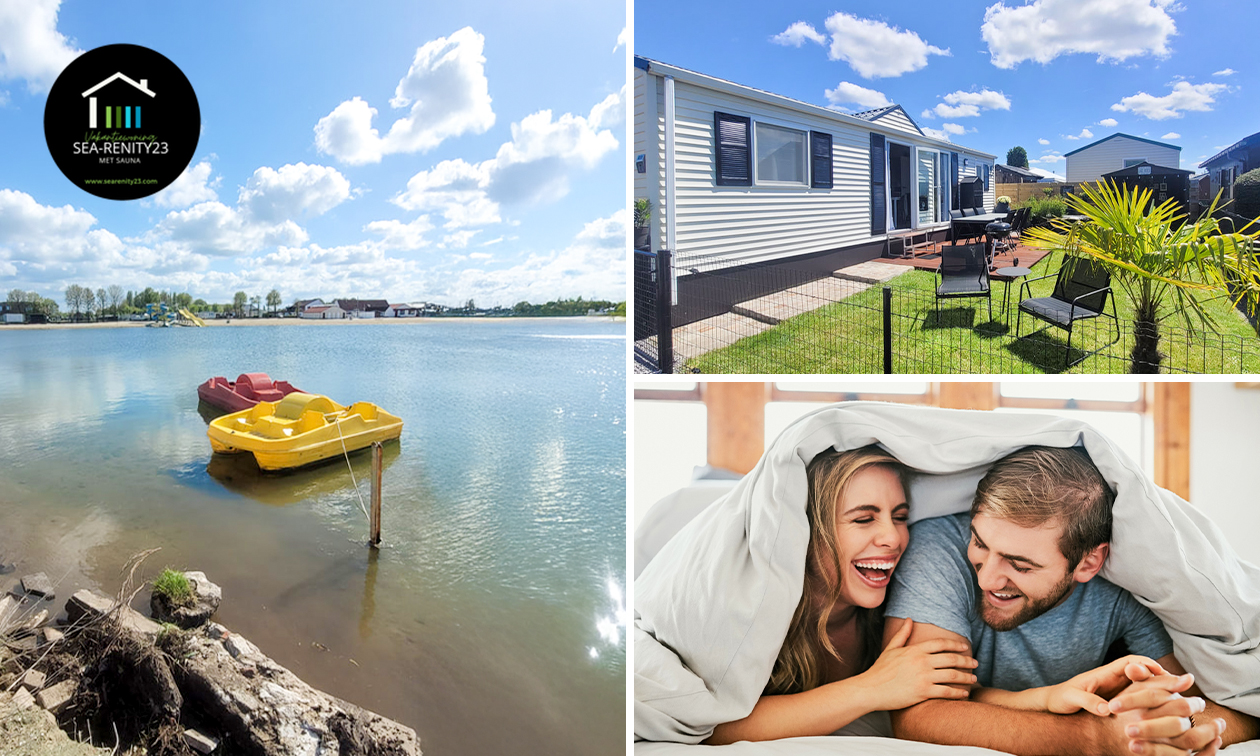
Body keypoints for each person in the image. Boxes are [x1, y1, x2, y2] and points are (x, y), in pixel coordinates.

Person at [884, 446, 1258, 756]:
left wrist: (1177, 728)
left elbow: (1213, 703)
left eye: (1020, 565)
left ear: (1089, 563)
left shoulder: (1127, 587)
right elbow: (918, 715)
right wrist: (1095, 737)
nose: (986, 579)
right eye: (980, 543)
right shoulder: (939, 549)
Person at [705, 445, 980, 744]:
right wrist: (872, 687)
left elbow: (947, 686)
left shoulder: (900, 602)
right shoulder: (750, 609)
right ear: (806, 530)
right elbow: (712, 726)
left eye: (900, 517)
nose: (893, 537)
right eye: (863, 519)